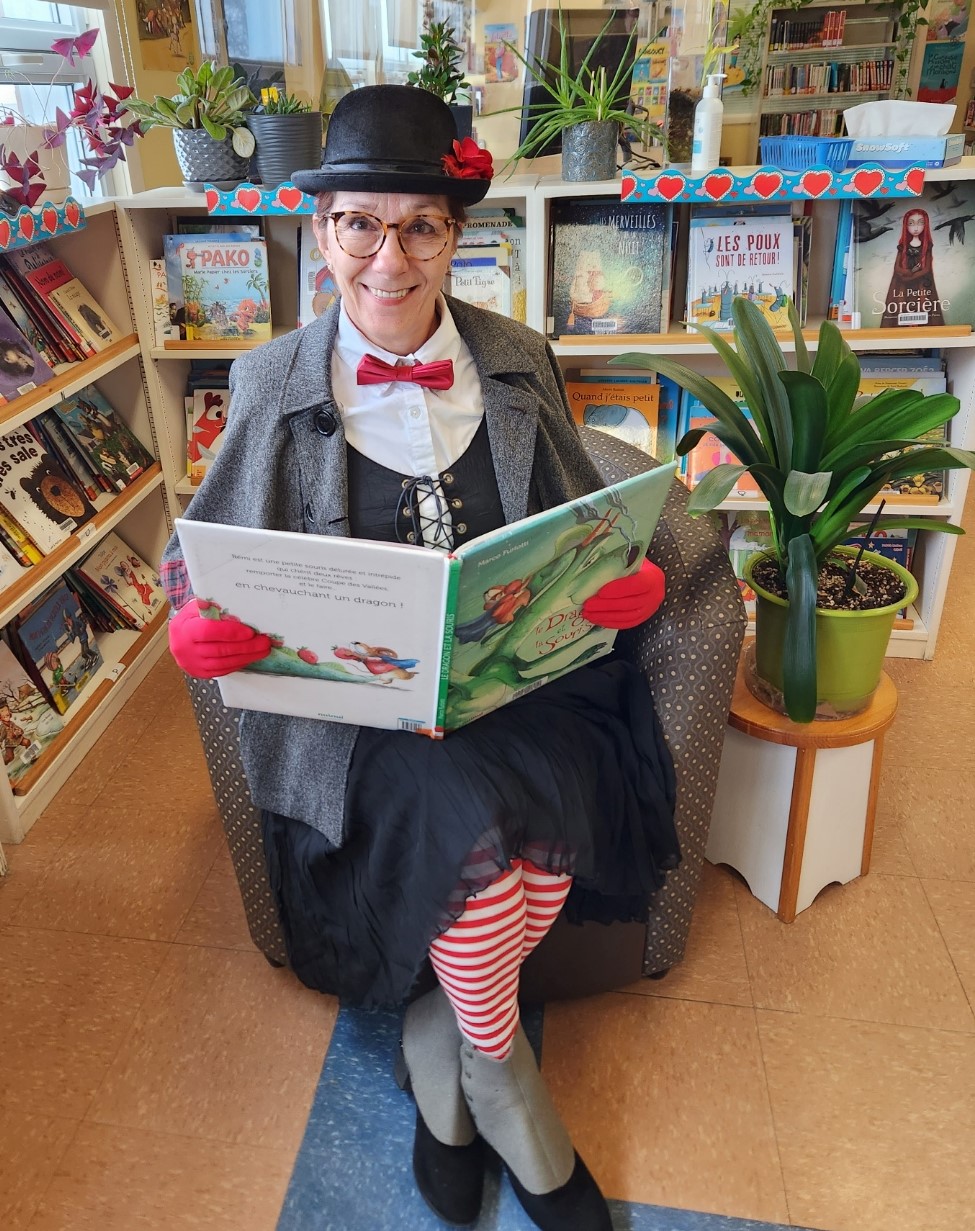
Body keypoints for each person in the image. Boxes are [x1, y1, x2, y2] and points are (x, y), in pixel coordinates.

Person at [161, 84, 679, 1231]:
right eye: (360, 224)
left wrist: (618, 575)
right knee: (481, 852)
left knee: (541, 851)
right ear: (323, 231)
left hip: (518, 688)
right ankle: (502, 1084)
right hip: (359, 728)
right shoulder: (273, 379)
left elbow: (582, 514)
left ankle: (446, 1048)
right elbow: (195, 554)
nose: (388, 260)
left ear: (456, 237)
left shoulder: (517, 356)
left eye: (420, 228)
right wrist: (194, 615)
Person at [881, 208, 945, 327]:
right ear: (906, 226)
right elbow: (897, 268)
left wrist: (908, 277)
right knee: (900, 309)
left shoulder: (927, 246)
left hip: (922, 285)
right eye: (911, 223)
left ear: (925, 225)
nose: (916, 228)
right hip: (902, 287)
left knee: (924, 308)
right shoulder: (903, 246)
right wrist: (909, 272)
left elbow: (926, 269)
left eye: (920, 223)